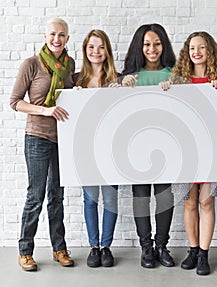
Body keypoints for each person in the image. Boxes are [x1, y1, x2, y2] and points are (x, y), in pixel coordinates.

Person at [10, 18, 75, 271]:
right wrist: (45, 111)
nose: (56, 39)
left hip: (63, 139)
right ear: (45, 36)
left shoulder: (69, 65)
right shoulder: (32, 64)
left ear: (67, 39)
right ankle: (25, 251)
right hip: (37, 137)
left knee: (57, 197)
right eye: (52, 34)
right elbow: (15, 102)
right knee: (35, 197)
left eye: (61, 35)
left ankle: (59, 248)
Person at [169, 31, 217, 275]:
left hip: (212, 150)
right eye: (192, 48)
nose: (197, 52)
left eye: (202, 47)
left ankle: (204, 254)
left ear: (209, 51)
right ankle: (193, 251)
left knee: (207, 200)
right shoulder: (179, 81)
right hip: (186, 150)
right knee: (189, 201)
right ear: (187, 52)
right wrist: (167, 88)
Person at [121, 23, 176, 268]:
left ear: (163, 45)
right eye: (146, 44)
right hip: (137, 148)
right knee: (141, 197)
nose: (152, 49)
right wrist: (119, 88)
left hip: (167, 147)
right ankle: (146, 248)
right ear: (139, 47)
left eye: (156, 43)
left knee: (165, 197)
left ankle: (162, 245)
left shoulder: (174, 74)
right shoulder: (129, 77)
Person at [73, 29, 119, 268]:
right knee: (90, 201)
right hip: (86, 151)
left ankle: (106, 246)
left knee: (111, 200)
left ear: (107, 51)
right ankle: (94, 247)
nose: (96, 52)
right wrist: (74, 96)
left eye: (101, 47)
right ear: (85, 50)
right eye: (91, 47)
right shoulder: (75, 79)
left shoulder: (117, 79)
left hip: (111, 151)